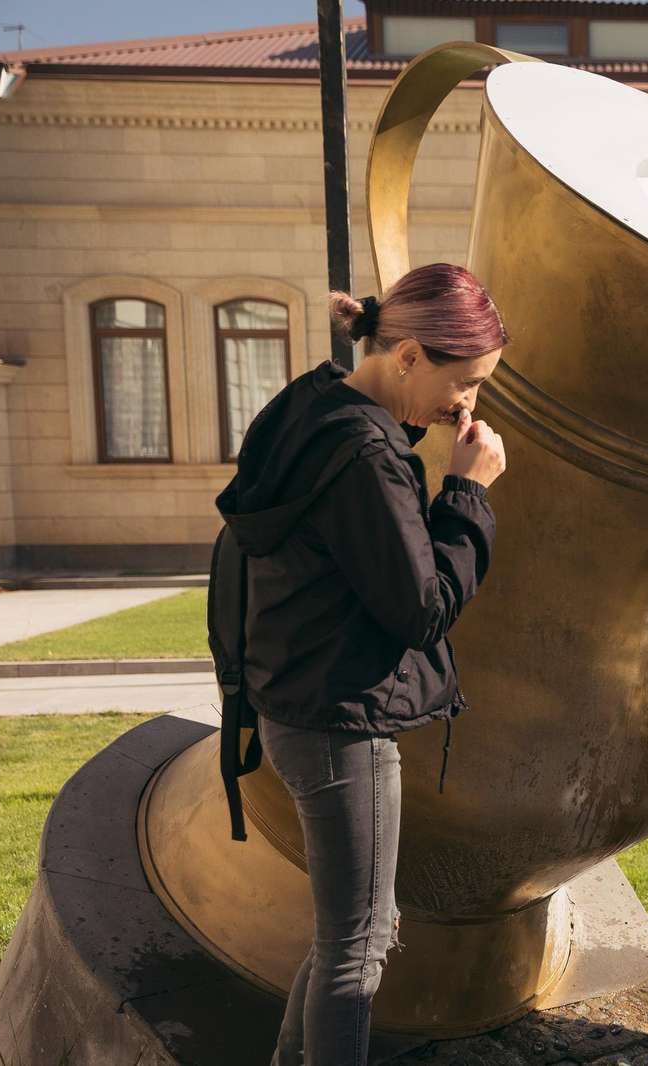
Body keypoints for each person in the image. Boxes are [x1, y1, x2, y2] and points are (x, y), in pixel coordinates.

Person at [211, 263, 510, 1066]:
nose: (468, 404)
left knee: (349, 933)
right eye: (465, 381)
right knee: (361, 948)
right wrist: (467, 493)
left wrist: (419, 448)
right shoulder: (365, 458)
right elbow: (423, 607)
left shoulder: (311, 409)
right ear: (408, 354)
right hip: (343, 723)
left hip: (300, 706)